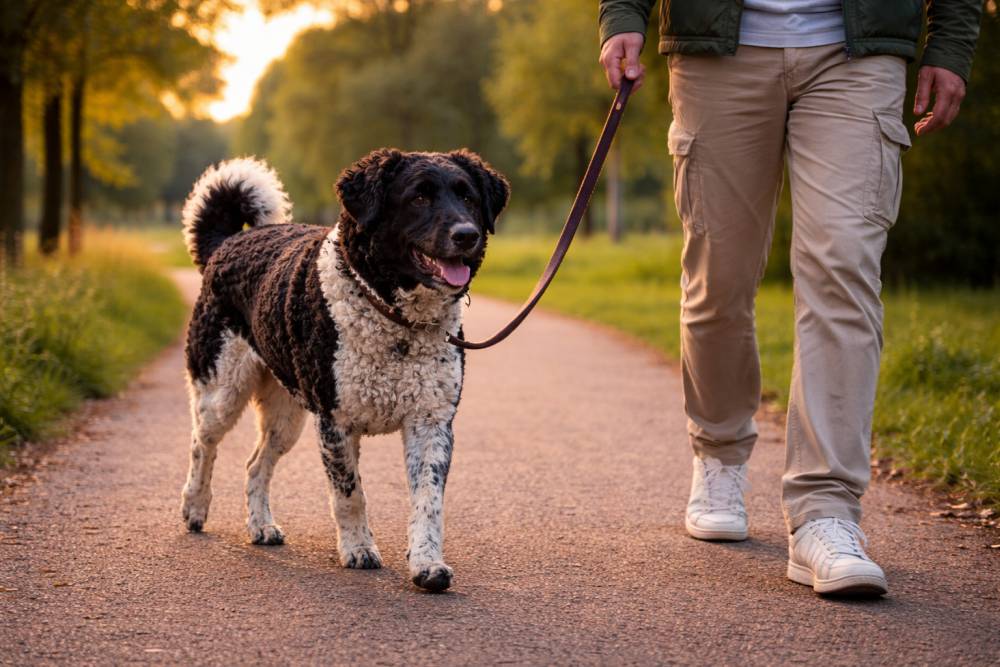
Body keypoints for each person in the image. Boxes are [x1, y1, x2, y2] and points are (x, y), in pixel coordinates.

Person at [597, 0, 983, 596]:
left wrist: (951, 44)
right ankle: (720, 454)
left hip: (859, 54)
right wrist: (623, 15)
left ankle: (825, 512)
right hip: (718, 51)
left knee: (842, 271)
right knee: (717, 278)